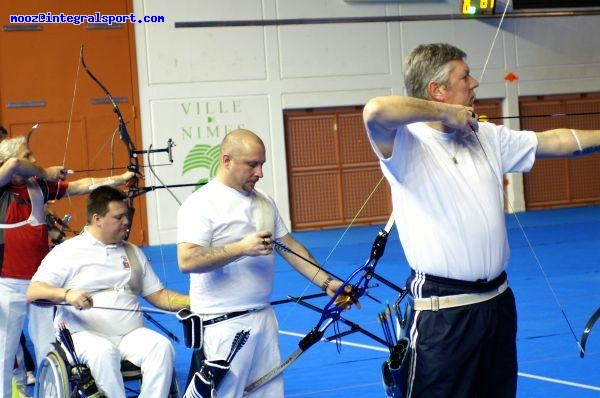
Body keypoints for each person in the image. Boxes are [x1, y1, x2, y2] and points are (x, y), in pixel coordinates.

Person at [362, 42, 600, 398]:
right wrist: (444, 114)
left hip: (497, 305)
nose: (474, 84)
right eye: (464, 77)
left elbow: (556, 141)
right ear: (437, 90)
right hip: (443, 316)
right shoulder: (406, 144)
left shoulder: (485, 135)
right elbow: (376, 110)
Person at [177, 128, 356, 397]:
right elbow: (187, 259)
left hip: (263, 318)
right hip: (223, 325)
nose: (260, 172)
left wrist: (327, 282)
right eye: (252, 165)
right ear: (226, 161)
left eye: (262, 164)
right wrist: (242, 247)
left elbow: (290, 247)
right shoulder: (200, 204)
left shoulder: (264, 202)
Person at [0, 134, 135, 398]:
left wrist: (117, 179)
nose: (33, 159)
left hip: (42, 284)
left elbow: (79, 186)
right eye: (29, 155)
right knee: (4, 352)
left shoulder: (37, 185)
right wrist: (47, 171)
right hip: (8, 283)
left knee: (48, 346)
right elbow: (15, 163)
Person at [27, 186, 190, 397]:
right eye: (118, 217)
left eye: (126, 215)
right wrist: (67, 294)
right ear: (97, 219)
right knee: (104, 352)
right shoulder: (66, 252)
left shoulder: (132, 251)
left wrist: (193, 302)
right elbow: (33, 291)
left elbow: (158, 295)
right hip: (83, 336)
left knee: (161, 347)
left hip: (130, 335)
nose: (126, 222)